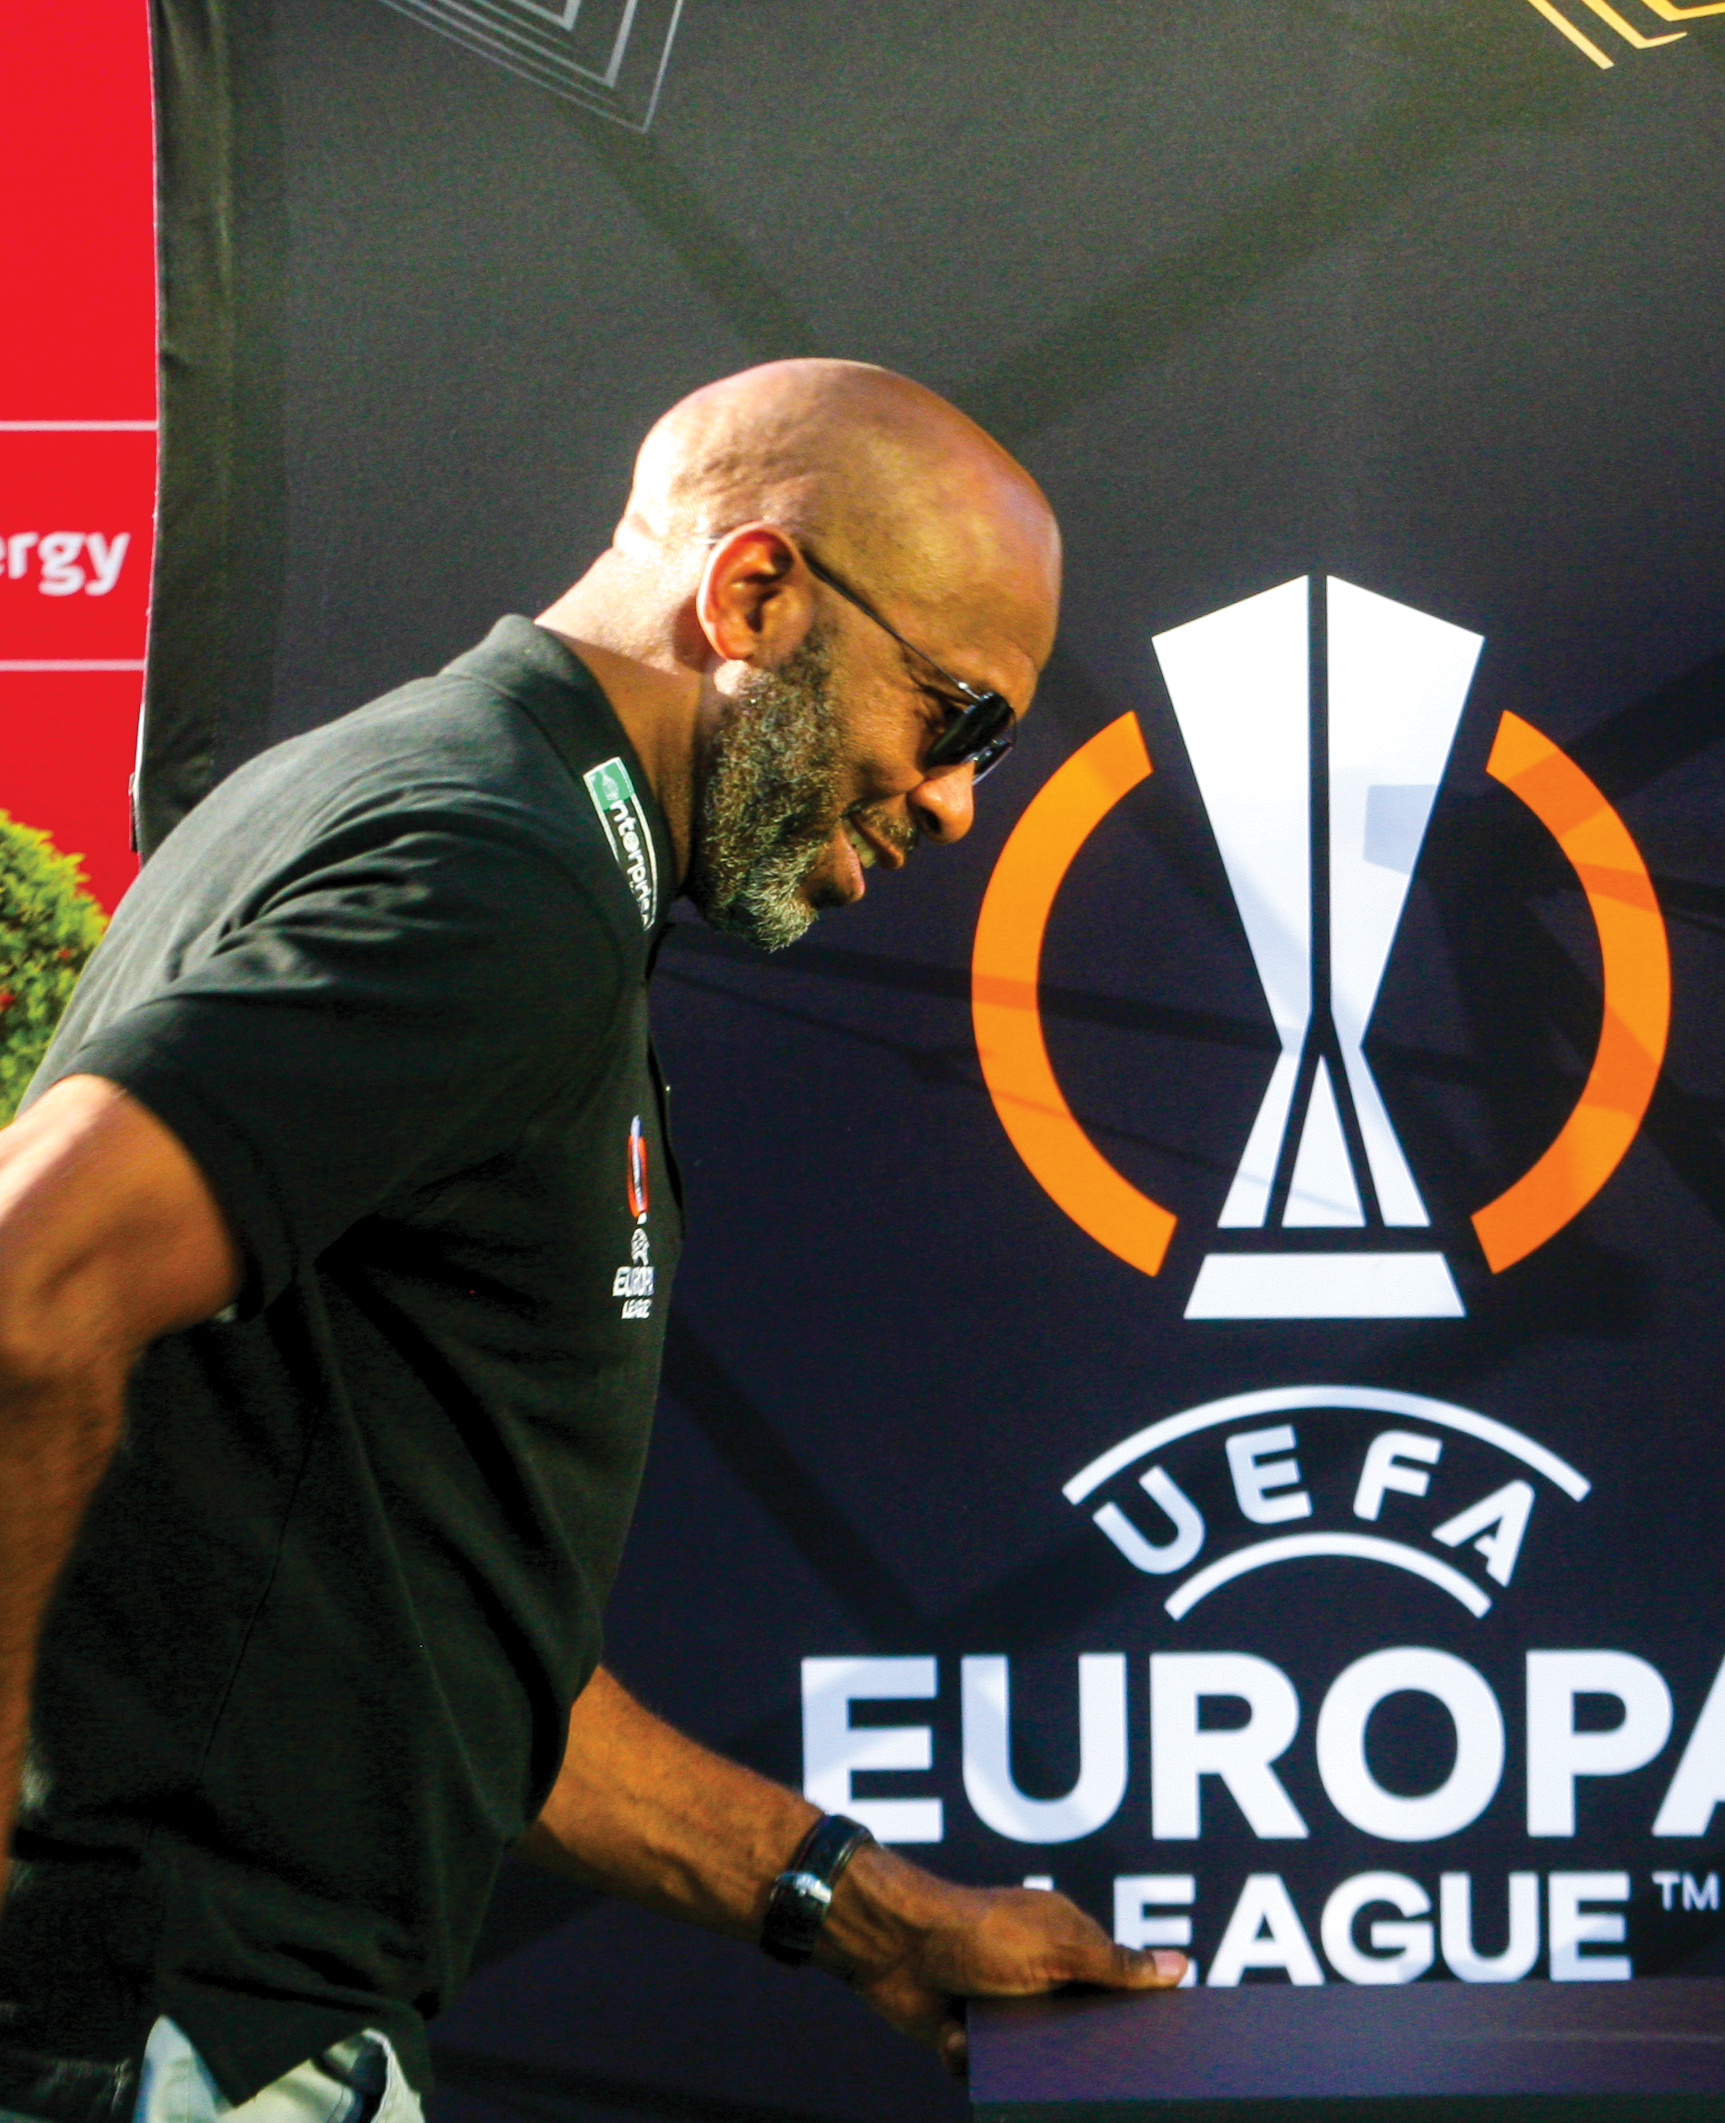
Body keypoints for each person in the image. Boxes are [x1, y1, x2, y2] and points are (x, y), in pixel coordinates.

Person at [0, 359, 1183, 2123]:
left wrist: (862, 1910)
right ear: (754, 592)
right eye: (955, 719)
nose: (954, 802)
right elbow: (26, 1294)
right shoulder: (499, 874)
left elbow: (434, 1657)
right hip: (180, 2048)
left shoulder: (439, 805)